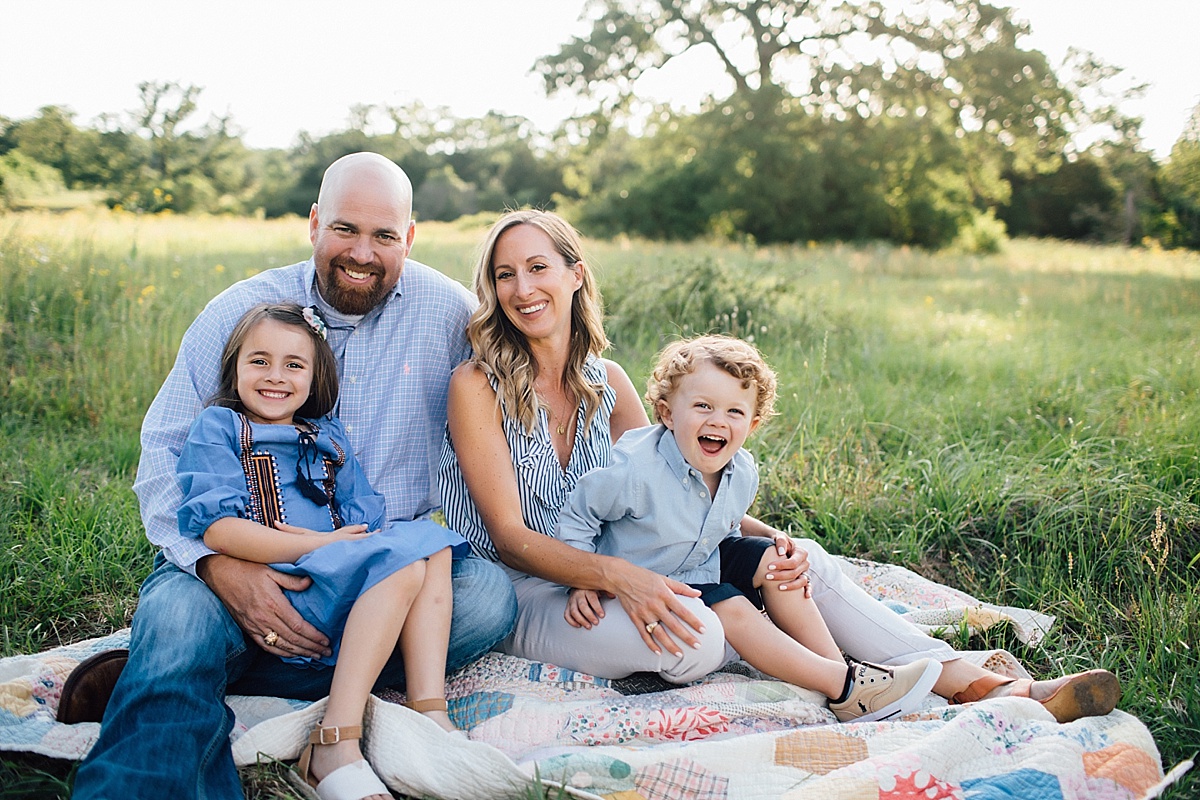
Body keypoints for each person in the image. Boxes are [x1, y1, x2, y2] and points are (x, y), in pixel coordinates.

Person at [439, 208, 1120, 720]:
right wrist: (623, 579)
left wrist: (767, 538)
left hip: (630, 573)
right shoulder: (478, 386)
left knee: (806, 561)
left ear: (574, 274)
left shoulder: (608, 381)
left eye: (538, 267)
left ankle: (973, 683)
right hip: (535, 593)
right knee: (699, 636)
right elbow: (508, 536)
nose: (523, 287)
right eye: (505, 274)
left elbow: (676, 492)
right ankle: (843, 675)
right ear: (492, 289)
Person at [72, 153, 517, 800]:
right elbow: (163, 455)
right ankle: (171, 714)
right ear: (314, 223)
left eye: (384, 235)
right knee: (179, 615)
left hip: (375, 570)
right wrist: (216, 566)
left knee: (485, 602)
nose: (362, 252)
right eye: (344, 229)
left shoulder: (450, 316)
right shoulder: (245, 312)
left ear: (409, 237)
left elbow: (508, 427)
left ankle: (190, 680)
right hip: (237, 554)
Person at [556, 334, 942, 722]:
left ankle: (842, 674)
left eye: (734, 412)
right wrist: (583, 579)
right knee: (732, 604)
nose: (717, 421)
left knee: (778, 562)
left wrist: (772, 537)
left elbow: (723, 524)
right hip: (648, 583)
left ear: (752, 423)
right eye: (702, 406)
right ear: (667, 413)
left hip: (699, 563)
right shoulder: (634, 469)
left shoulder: (741, 470)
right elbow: (579, 513)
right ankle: (842, 684)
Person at [177, 302, 468, 795]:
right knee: (399, 567)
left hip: (339, 583)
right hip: (285, 592)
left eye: (294, 365)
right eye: (259, 361)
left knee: (432, 547)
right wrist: (317, 542)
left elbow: (366, 521)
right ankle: (335, 740)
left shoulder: (328, 435)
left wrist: (347, 541)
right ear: (234, 367)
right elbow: (219, 531)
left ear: (315, 378)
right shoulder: (220, 428)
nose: (276, 377)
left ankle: (428, 710)